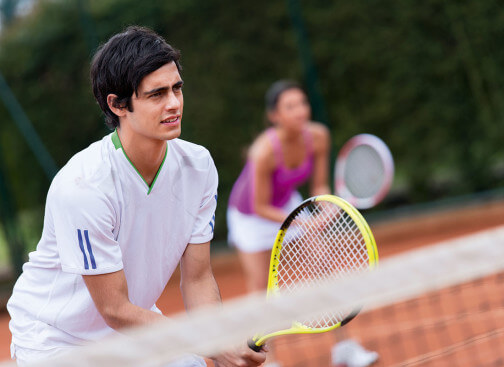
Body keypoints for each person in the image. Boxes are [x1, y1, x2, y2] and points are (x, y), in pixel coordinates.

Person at [6, 26, 266, 367]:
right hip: (56, 342)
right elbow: (114, 309)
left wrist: (217, 339)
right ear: (118, 105)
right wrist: (209, 344)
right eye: (156, 94)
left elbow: (198, 277)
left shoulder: (198, 166)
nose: (174, 104)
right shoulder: (84, 187)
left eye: (177, 89)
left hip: (132, 329)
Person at [227, 80, 378, 367]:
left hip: (287, 204)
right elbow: (260, 206)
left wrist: (325, 208)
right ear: (274, 116)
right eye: (290, 106)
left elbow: (318, 184)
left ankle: (344, 348)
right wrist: (303, 223)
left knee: (325, 268)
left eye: (302, 103)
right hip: (250, 218)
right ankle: (270, 362)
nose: (300, 111)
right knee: (262, 290)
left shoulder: (318, 136)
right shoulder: (264, 151)